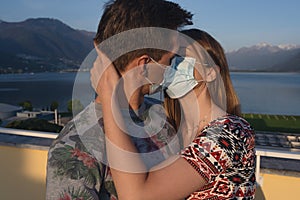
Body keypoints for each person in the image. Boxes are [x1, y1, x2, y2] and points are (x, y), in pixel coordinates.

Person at [45, 0, 193, 199]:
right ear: (144, 65)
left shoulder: (163, 115)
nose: (174, 67)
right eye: (170, 60)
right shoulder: (75, 148)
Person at [95, 28, 256, 199]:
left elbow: (138, 196)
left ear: (210, 73)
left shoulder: (230, 132)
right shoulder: (170, 129)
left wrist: (109, 93)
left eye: (182, 58)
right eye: (170, 58)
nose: (173, 65)